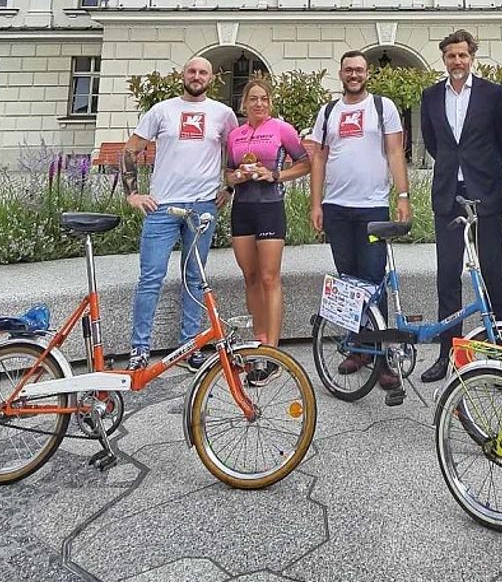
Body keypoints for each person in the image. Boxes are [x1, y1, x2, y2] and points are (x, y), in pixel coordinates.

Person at [122, 56, 237, 372]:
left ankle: (190, 347)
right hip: (162, 207)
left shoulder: (223, 115)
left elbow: (236, 154)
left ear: (211, 78)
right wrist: (132, 194)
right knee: (150, 278)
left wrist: (229, 189)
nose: (197, 76)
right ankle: (139, 348)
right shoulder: (162, 111)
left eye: (203, 72)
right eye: (192, 71)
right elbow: (130, 150)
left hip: (202, 207)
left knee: (195, 279)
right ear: (183, 75)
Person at [306, 50, 411, 393]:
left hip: (371, 209)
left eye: (359, 70)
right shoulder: (329, 112)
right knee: (349, 283)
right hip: (337, 208)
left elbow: (395, 152)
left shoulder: (383, 107)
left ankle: (381, 357)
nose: (354, 74)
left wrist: (403, 196)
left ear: (367, 74)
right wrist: (315, 203)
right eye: (349, 69)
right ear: (341, 74)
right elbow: (318, 158)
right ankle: (357, 347)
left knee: (373, 281)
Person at [417, 29, 502, 382]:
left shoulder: (492, 94)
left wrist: (480, 167)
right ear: (443, 59)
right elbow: (433, 142)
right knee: (448, 278)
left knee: (493, 274)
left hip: (484, 195)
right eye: (450, 56)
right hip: (448, 195)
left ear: (472, 57)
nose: (456, 62)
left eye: (462, 55)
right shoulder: (430, 96)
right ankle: (449, 353)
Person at [223, 78, 310, 378]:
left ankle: (273, 351)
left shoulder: (281, 129)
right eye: (253, 99)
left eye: (264, 99)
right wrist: (235, 179)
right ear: (244, 103)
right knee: (250, 277)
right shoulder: (235, 135)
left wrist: (274, 175)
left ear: (270, 103)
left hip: (271, 208)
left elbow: (305, 163)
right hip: (242, 210)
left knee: (270, 278)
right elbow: (227, 172)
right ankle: (257, 343)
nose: (259, 104)